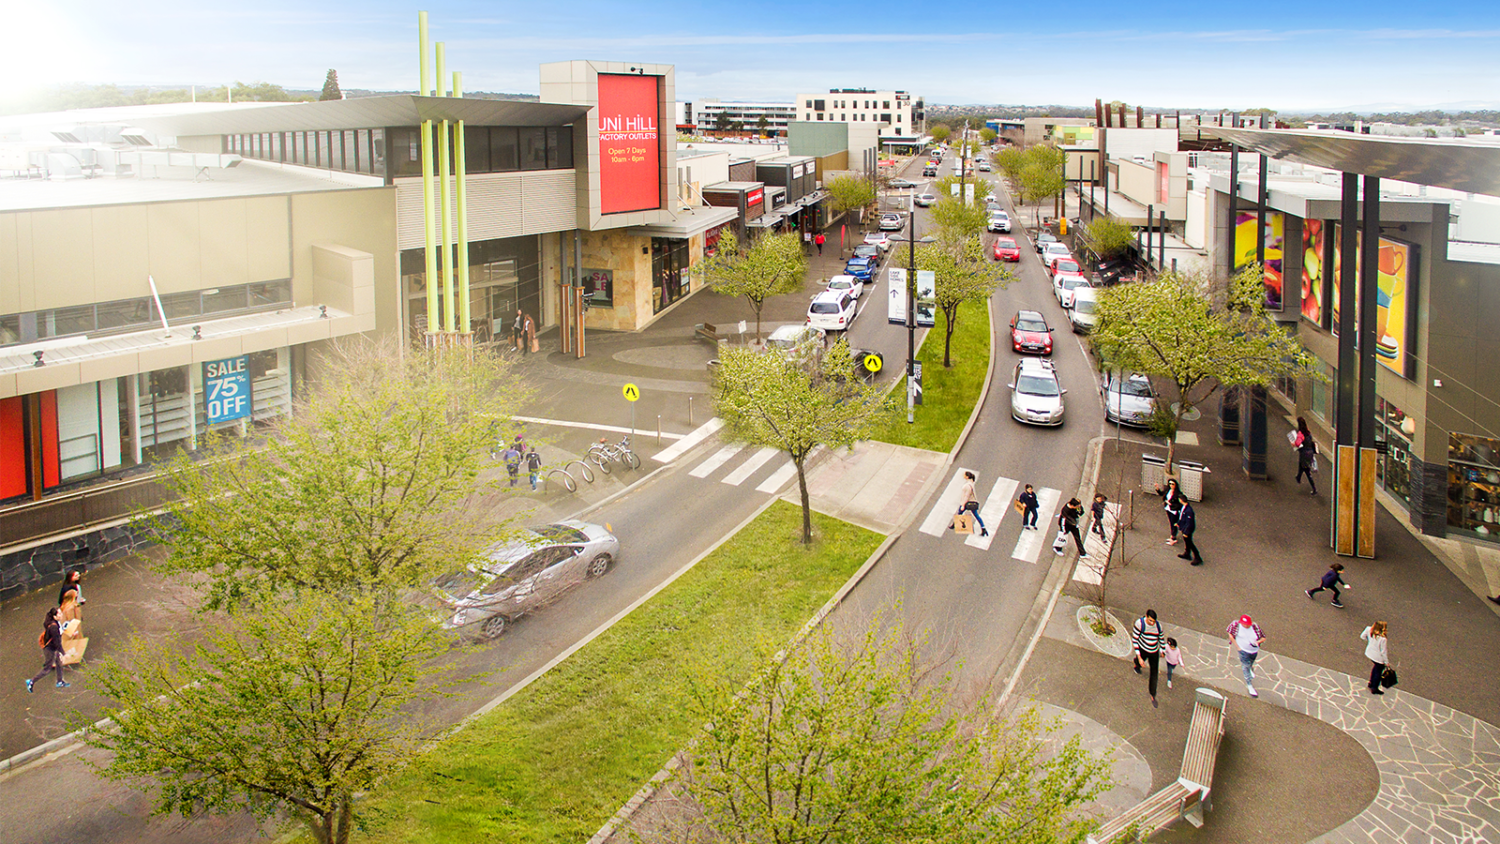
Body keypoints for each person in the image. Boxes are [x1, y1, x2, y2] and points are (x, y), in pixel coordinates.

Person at [26, 607, 68, 692]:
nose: (61, 615)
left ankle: (60, 681)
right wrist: (64, 653)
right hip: (50, 649)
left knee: (59, 663)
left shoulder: (54, 623)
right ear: (54, 616)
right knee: (47, 669)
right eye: (59, 613)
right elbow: (57, 642)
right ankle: (31, 681)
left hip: (52, 647)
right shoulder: (53, 627)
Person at [1131, 609, 1165, 708]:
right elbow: (1135, 639)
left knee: (1154, 672)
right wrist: (1139, 657)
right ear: (1146, 616)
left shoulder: (1158, 626)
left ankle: (1152, 694)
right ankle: (1136, 664)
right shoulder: (1140, 624)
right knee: (1139, 661)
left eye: (1153, 621)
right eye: (1150, 621)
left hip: (1154, 651)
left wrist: (1162, 650)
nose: (1152, 623)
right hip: (1143, 648)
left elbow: (1161, 638)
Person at [1226, 614, 1266, 697]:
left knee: (1250, 663)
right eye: (1243, 623)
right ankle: (1249, 684)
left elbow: (1263, 638)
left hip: (1254, 651)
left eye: (1247, 624)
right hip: (1243, 651)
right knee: (1245, 666)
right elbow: (1230, 634)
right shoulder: (1235, 625)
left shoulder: (1255, 627)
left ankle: (1250, 669)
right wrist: (1237, 647)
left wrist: (1258, 642)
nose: (1245, 625)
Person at [1361, 620, 1390, 696]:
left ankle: (1371, 683)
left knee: (1375, 668)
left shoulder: (1369, 629)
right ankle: (1374, 687)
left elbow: (1362, 637)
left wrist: (1370, 641)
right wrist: (1386, 662)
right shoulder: (1383, 639)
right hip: (1378, 657)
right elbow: (1383, 652)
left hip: (1370, 653)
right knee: (1378, 672)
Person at [956, 471, 988, 537]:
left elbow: (966, 496)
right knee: (975, 515)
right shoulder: (971, 483)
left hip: (968, 502)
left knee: (960, 512)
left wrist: (963, 505)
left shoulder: (968, 485)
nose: (963, 476)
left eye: (964, 475)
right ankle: (983, 528)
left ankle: (957, 525)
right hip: (971, 502)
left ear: (967, 477)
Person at [1294, 417, 1319, 495]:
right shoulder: (1308, 432)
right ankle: (1298, 477)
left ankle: (1314, 488)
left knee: (1306, 470)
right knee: (1302, 465)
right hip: (1310, 452)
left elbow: (1297, 443)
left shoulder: (1301, 434)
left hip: (1304, 453)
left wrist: (1295, 441)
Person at [1177, 500, 1203, 565]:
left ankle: (1197, 557)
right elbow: (1182, 517)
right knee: (1187, 542)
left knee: (1190, 543)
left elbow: (1189, 523)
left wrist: (1186, 532)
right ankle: (1187, 553)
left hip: (1187, 530)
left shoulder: (1189, 511)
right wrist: (1179, 524)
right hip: (1184, 528)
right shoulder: (1184, 507)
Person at [1163, 479, 1183, 545]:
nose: (1171, 485)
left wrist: (1172, 505)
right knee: (1171, 522)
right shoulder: (1168, 490)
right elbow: (1163, 495)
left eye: (1172, 484)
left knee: (1173, 523)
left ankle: (1174, 538)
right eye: (1170, 484)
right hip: (1168, 509)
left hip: (1174, 510)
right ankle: (1172, 536)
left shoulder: (1178, 494)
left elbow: (1180, 504)